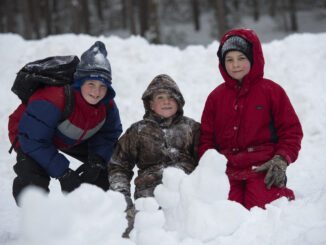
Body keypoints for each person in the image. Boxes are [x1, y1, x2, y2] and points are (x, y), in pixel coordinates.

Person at [199, 29, 303, 210]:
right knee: (224, 210)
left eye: (241, 58)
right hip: (228, 169)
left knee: (262, 209)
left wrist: (281, 159)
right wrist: (209, 166)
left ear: (253, 58)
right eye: (229, 59)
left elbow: (291, 131)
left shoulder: (271, 91)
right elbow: (206, 138)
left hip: (263, 166)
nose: (235, 65)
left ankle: (282, 198)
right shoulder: (216, 97)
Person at [9, 41, 122, 205]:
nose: (96, 92)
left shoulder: (107, 104)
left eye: (102, 86)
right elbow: (33, 140)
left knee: (107, 165)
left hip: (68, 135)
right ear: (79, 82)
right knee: (32, 177)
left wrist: (97, 160)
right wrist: (63, 173)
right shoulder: (54, 98)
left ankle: (95, 213)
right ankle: (33, 217)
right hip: (29, 134)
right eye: (91, 84)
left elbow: (109, 135)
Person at [108, 74, 201, 236]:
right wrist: (123, 201)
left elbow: (205, 163)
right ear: (151, 104)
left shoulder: (192, 129)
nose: (166, 102)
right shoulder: (138, 131)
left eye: (171, 97)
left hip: (185, 198)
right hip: (149, 200)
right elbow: (119, 167)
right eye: (160, 97)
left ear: (179, 102)